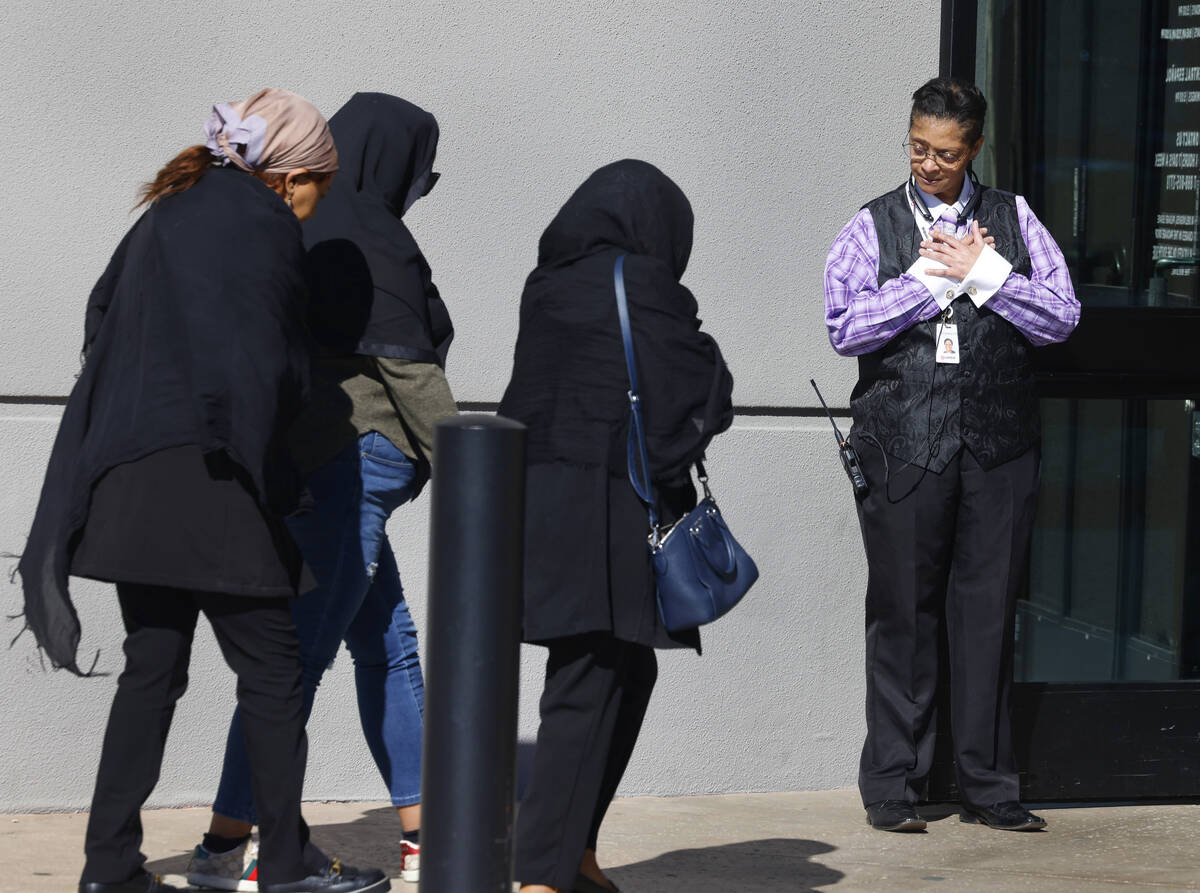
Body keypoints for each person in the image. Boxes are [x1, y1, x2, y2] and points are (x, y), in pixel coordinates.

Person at [18, 89, 388, 893]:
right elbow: (264, 368)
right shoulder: (262, 230)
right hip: (217, 481)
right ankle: (287, 863)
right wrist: (278, 465)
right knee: (274, 670)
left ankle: (107, 866)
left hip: (133, 479)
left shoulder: (168, 212)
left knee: (151, 670)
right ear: (290, 178)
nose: (314, 204)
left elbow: (101, 319)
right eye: (318, 186)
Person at [189, 92, 456, 891]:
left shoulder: (301, 218)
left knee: (389, 644)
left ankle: (422, 836)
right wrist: (477, 470)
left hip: (312, 463)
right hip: (353, 466)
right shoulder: (369, 230)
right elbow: (409, 366)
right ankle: (227, 845)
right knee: (294, 662)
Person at [823, 77, 1081, 833]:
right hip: (903, 444)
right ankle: (894, 786)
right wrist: (925, 281)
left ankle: (988, 785)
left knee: (987, 615)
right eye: (917, 148)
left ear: (972, 149)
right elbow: (844, 325)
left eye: (944, 152)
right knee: (902, 615)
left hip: (999, 449)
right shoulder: (871, 226)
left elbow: (1062, 314)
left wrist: (988, 275)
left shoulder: (1015, 218)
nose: (929, 164)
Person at [499, 159, 734, 893]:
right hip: (608, 509)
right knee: (588, 678)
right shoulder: (646, 283)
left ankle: (574, 848)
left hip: (538, 503)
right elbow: (692, 394)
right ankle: (540, 873)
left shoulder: (547, 284)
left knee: (625, 670)